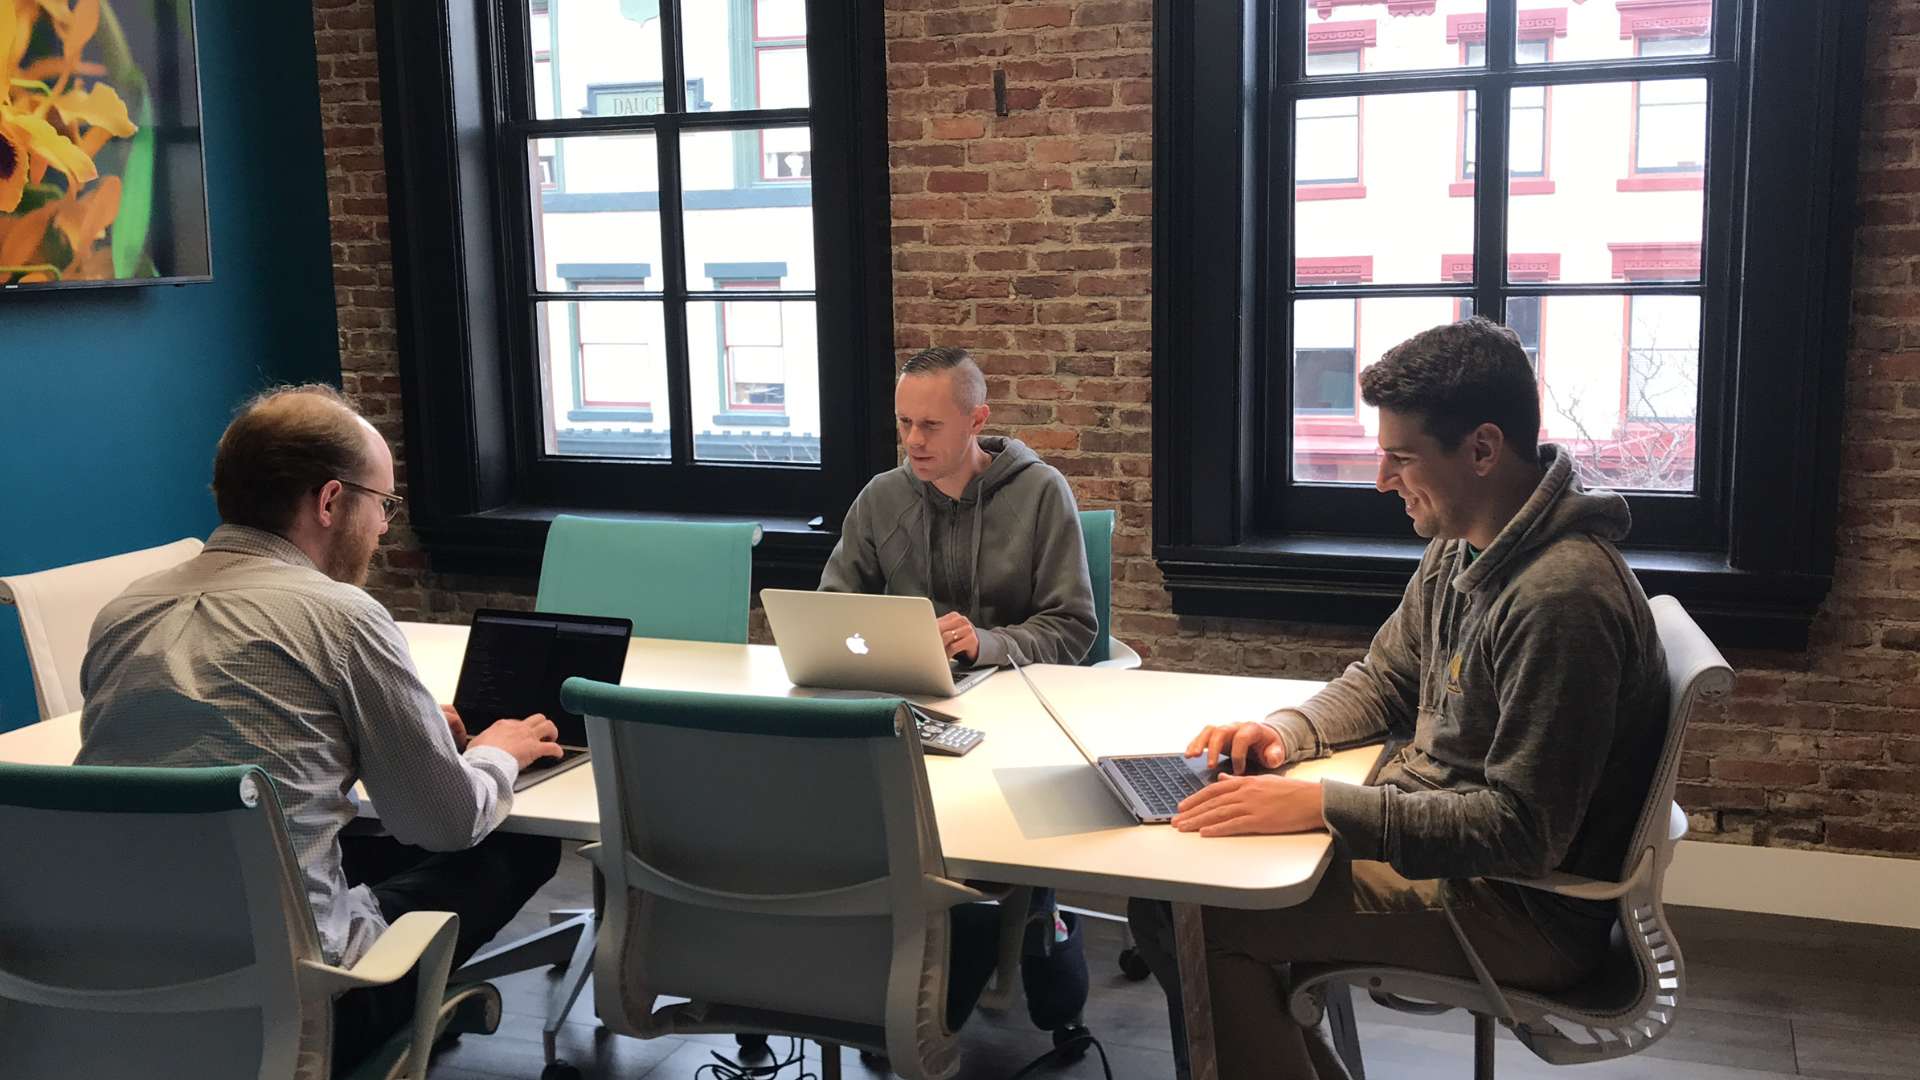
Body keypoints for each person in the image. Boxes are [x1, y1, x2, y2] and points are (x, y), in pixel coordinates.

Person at [1126, 317, 1670, 1080]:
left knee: (1197, 917)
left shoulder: (1562, 597)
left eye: (1402, 458)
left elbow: (1524, 835)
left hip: (1524, 908)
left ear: (1483, 450)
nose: (1382, 480)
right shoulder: (1460, 545)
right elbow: (1385, 680)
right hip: (1457, 857)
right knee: (1175, 896)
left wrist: (1323, 807)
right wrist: (1285, 734)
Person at [76, 384, 565, 1069]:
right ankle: (401, 1012)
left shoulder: (126, 610)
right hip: (298, 1011)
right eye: (383, 504)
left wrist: (389, 730)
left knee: (363, 838)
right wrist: (495, 754)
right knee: (514, 846)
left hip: (111, 986)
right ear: (331, 501)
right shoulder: (342, 617)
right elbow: (447, 822)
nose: (384, 528)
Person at [820, 345, 1098, 668]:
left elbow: (1071, 626)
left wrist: (987, 645)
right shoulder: (880, 497)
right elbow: (833, 612)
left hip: (1017, 685)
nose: (913, 440)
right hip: (913, 686)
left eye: (931, 424)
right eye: (905, 421)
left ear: (976, 421)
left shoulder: (1042, 491)